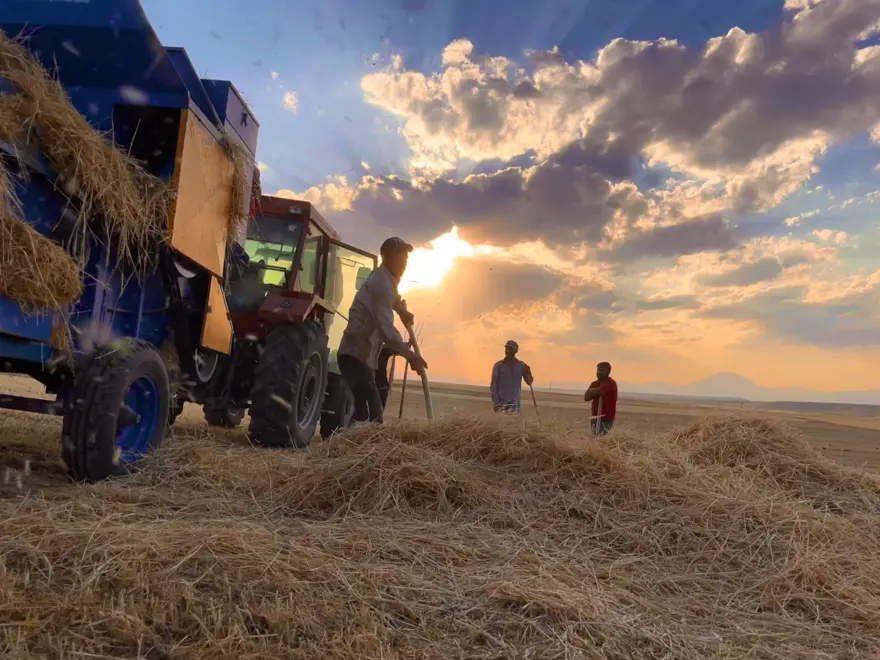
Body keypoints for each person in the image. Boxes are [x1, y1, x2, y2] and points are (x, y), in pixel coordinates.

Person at [337, 237, 427, 424]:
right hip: (355, 356)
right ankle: (356, 447)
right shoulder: (380, 284)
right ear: (387, 258)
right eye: (400, 259)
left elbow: (393, 298)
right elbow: (386, 328)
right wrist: (411, 356)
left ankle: (351, 446)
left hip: (363, 357)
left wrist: (402, 309)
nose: (404, 263)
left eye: (406, 259)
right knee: (374, 414)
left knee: (363, 412)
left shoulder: (386, 280)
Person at [489, 340, 534, 414]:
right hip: (501, 404)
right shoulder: (498, 365)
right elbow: (493, 386)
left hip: (515, 405)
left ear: (516, 351)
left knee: (514, 425)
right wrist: (496, 404)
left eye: (511, 349)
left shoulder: (521, 365)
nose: (508, 351)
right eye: (507, 348)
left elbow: (529, 382)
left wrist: (529, 372)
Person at [584, 361, 618, 436]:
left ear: (608, 372)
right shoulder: (594, 383)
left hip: (606, 418)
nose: (599, 372)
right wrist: (593, 391)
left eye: (602, 370)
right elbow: (586, 397)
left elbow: (600, 391)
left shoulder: (611, 383)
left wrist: (592, 391)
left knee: (600, 439)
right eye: (598, 370)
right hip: (595, 417)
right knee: (595, 439)